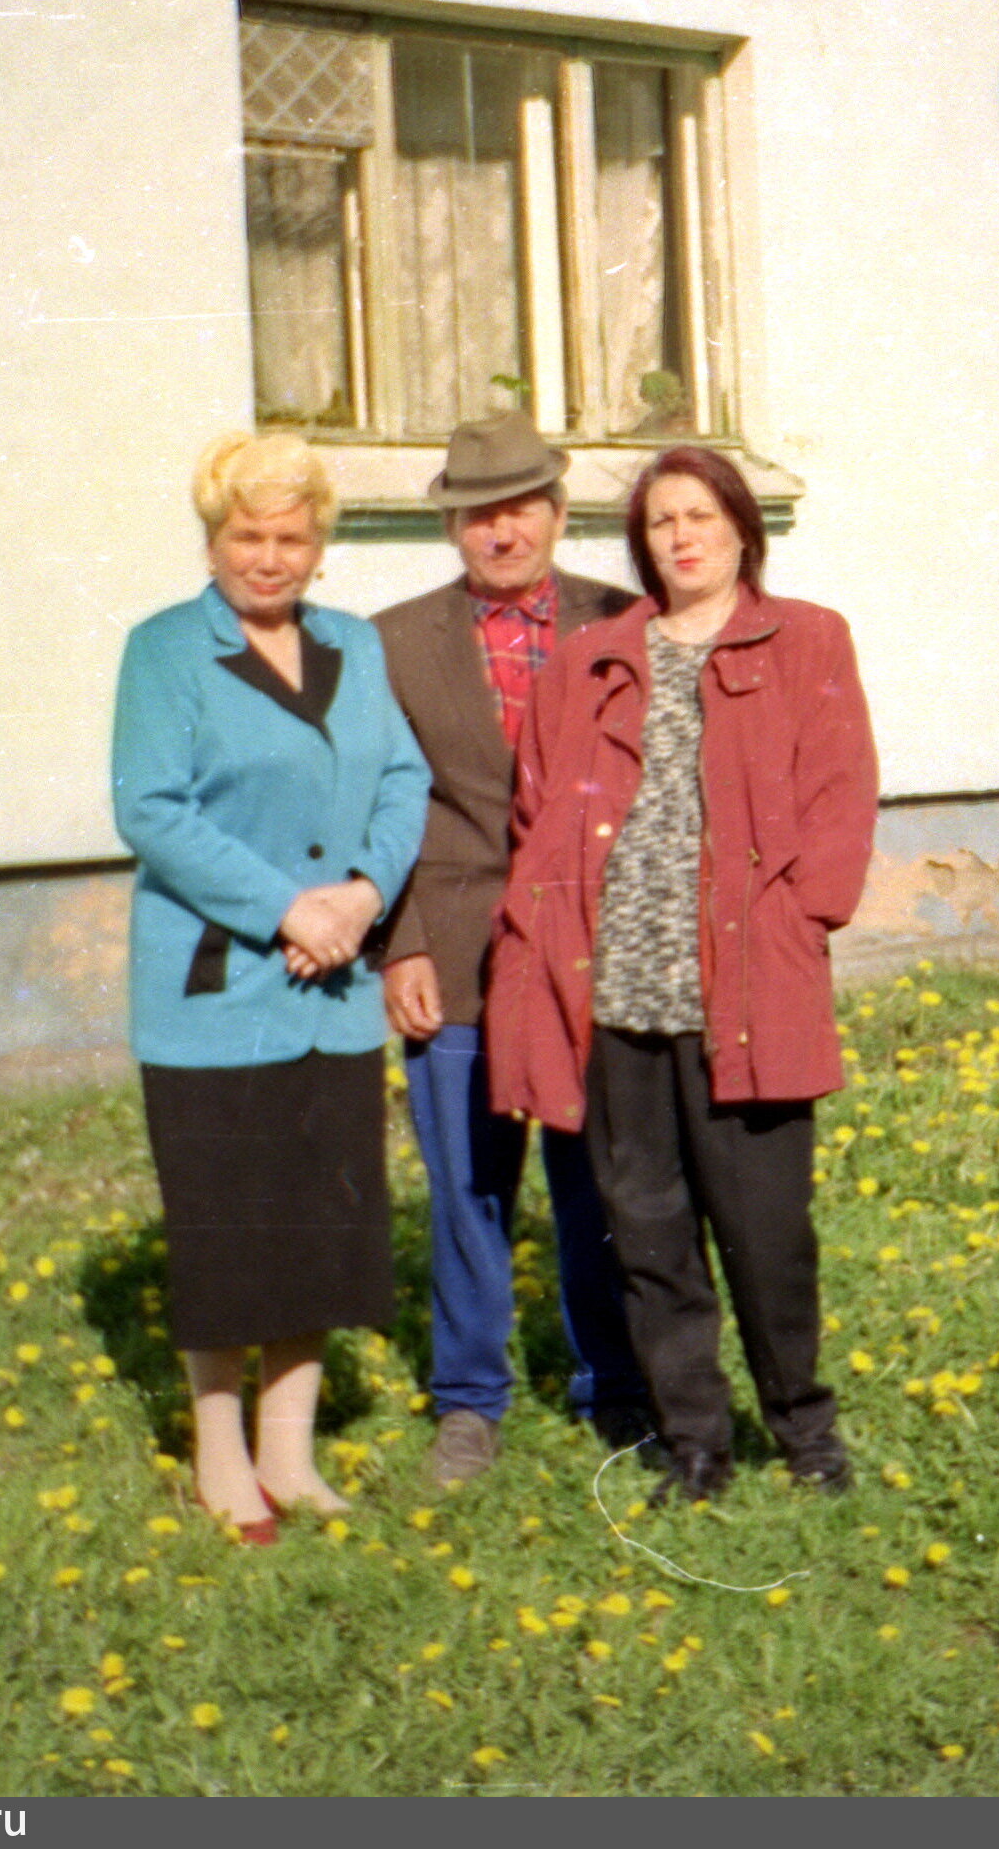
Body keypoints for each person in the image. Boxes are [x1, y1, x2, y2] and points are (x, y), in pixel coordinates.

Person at [487, 446, 879, 1504]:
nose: (683, 536)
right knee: (650, 1237)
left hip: (744, 991)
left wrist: (798, 920)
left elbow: (840, 798)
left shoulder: (807, 640)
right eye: (662, 521)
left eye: (702, 515)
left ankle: (805, 1432)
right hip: (616, 994)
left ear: (742, 528)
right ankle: (695, 1443)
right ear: (641, 543)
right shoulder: (592, 660)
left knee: (766, 1236)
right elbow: (538, 813)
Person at [111, 430, 429, 1542]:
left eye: (292, 538)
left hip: (332, 993)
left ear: (320, 547)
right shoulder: (163, 651)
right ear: (212, 540)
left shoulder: (354, 645)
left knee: (317, 1226)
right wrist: (289, 911)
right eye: (247, 535)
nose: (268, 557)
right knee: (227, 1228)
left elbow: (403, 779)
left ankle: (288, 1455)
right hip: (216, 992)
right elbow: (150, 808)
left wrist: (360, 896)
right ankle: (220, 1459)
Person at [373, 413, 654, 1489]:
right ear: (452, 526)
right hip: (454, 948)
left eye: (520, 507)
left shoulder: (623, 622)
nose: (502, 530)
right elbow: (377, 808)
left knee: (598, 1180)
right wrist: (400, 945)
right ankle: (468, 1402)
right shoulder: (394, 642)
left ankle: (614, 1381)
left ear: (558, 511)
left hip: (590, 948)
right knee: (467, 1186)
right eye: (478, 513)